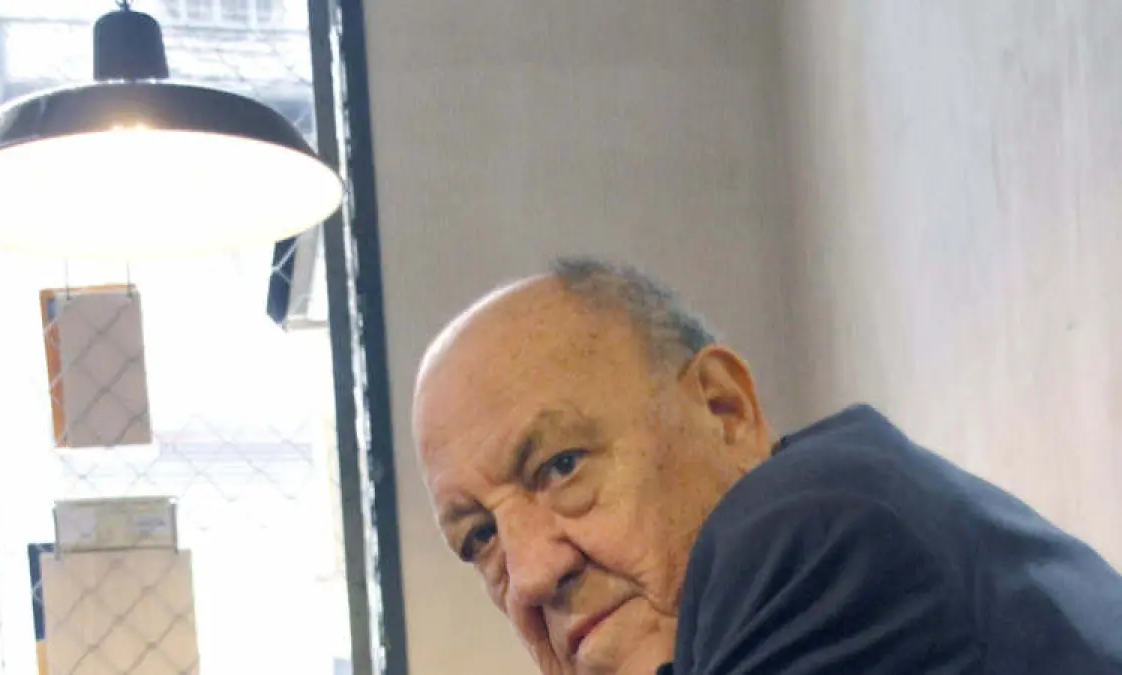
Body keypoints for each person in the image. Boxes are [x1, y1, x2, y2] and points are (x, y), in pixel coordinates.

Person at [411, 257, 1122, 675]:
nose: (530, 575)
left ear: (724, 409)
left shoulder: (808, 536)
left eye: (562, 465)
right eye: (481, 537)